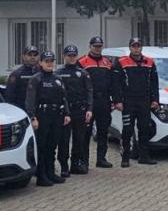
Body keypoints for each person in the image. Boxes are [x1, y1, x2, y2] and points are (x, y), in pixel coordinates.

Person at [112, 37, 160, 167]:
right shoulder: (121, 62)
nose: (136, 48)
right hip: (128, 101)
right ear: (130, 48)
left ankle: (144, 157)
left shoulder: (150, 62)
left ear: (141, 47)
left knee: (144, 129)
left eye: (138, 46)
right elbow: (115, 84)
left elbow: (154, 83)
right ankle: (125, 158)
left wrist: (155, 99)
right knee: (127, 130)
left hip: (144, 101)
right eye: (134, 46)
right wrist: (117, 101)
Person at [25, 51, 70, 187]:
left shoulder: (57, 78)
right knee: (42, 146)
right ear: (41, 62)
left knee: (52, 145)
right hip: (42, 115)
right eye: (47, 61)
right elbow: (30, 100)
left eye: (52, 61)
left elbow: (64, 97)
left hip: (56, 115)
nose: (50, 64)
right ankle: (41, 176)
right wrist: (32, 117)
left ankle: (50, 173)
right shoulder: (36, 79)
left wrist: (67, 113)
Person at [56, 45, 94, 176]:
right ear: (64, 56)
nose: (71, 58)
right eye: (69, 55)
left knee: (79, 139)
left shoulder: (83, 73)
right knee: (64, 140)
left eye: (74, 55)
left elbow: (89, 91)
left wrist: (89, 109)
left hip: (80, 110)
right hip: (65, 112)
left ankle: (75, 164)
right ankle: (64, 166)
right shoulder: (58, 73)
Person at [79, 36, 115, 168]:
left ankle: (101, 159)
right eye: (95, 46)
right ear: (90, 46)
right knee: (86, 133)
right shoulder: (82, 62)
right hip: (89, 102)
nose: (97, 48)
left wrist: (114, 100)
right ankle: (84, 161)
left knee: (103, 131)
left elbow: (113, 83)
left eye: (100, 46)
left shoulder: (108, 62)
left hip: (104, 101)